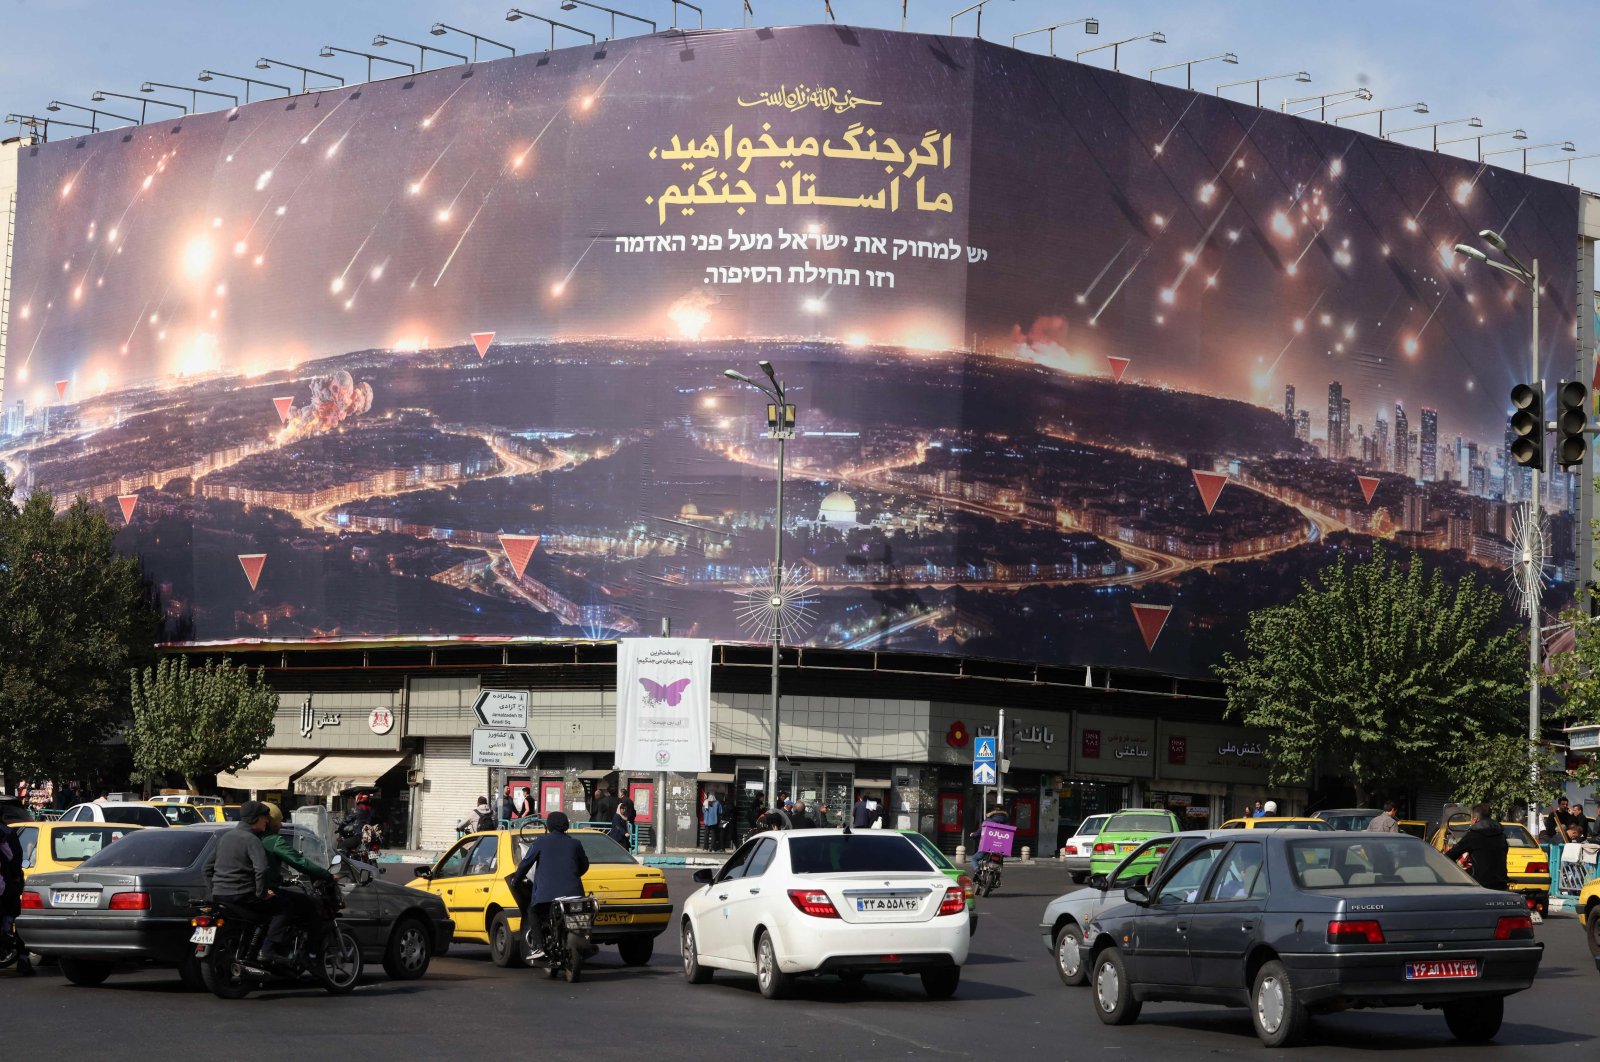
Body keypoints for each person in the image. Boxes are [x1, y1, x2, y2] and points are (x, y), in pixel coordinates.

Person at [203, 801, 294, 964]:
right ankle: (267, 950)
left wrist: (214, 891)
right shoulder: (252, 840)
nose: (267, 822)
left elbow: (206, 869)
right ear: (256, 818)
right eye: (265, 818)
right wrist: (262, 893)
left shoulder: (225, 838)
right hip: (243, 896)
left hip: (220, 898)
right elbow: (262, 869)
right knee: (286, 906)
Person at [509, 811, 590, 960]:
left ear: (549, 825)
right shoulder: (575, 843)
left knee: (532, 912)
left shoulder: (541, 841)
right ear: (566, 826)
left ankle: (539, 947)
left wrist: (516, 880)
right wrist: (573, 875)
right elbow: (585, 865)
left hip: (546, 895)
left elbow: (525, 864)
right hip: (574, 894)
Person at [260, 802, 332, 946]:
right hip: (266, 891)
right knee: (311, 905)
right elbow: (299, 862)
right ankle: (311, 953)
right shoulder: (273, 840)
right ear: (270, 821)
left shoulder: (248, 837)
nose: (280, 825)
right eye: (279, 821)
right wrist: (326, 875)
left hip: (248, 890)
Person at [1444, 803, 1509, 891]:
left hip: (1481, 887)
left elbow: (1450, 855)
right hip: (1501, 885)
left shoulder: (1473, 836)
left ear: (1475, 819)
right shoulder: (1501, 835)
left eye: (1470, 818)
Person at [0, 817, 34, 976]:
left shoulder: (6, 833)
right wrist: (15, 877)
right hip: (6, 886)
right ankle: (23, 959)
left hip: (5, 885)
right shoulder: (7, 833)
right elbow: (15, 857)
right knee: (16, 918)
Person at [973, 804, 1009, 874]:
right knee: (1000, 861)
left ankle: (977, 870)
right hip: (1001, 848)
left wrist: (974, 835)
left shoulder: (988, 820)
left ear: (993, 810)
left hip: (987, 847)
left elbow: (980, 831)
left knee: (974, 858)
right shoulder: (1007, 822)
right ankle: (997, 877)